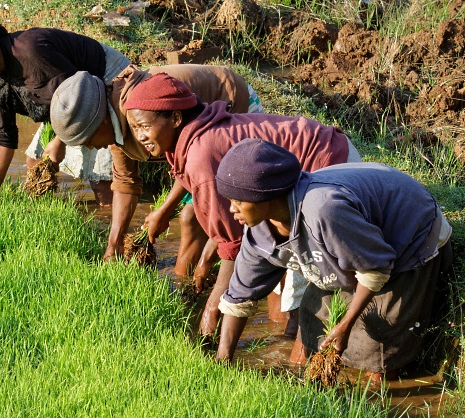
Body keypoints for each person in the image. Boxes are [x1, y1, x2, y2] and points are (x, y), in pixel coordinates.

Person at [121, 73, 362, 342]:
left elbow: (234, 245)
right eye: (134, 128)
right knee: (275, 259)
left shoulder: (202, 153)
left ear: (176, 119)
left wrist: (214, 306)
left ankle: (294, 362)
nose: (139, 136)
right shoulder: (192, 139)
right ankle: (285, 337)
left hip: (328, 165)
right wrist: (173, 219)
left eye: (143, 126)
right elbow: (210, 203)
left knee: (306, 282)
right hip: (318, 155)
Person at [213, 138, 453, 382]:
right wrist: (222, 362)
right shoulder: (257, 232)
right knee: (310, 320)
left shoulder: (324, 210)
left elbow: (376, 267)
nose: (232, 210)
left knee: (377, 339)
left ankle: (377, 398)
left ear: (267, 197)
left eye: (238, 201)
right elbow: (240, 296)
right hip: (352, 244)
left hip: (408, 237)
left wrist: (346, 325)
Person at [49, 64, 263, 277]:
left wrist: (165, 210)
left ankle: (185, 283)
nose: (89, 147)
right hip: (191, 145)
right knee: (193, 214)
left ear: (102, 122)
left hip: (231, 105)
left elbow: (195, 159)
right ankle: (192, 276)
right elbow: (126, 183)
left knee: (191, 216)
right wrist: (114, 245)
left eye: (87, 139)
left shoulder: (143, 110)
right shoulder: (119, 122)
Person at [0, 8, 130, 204]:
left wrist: (60, 142)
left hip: (105, 80)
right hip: (65, 97)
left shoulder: (30, 53)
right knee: (35, 162)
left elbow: (78, 98)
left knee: (103, 184)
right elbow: (2, 134)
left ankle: (110, 220)